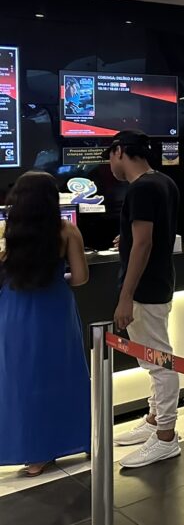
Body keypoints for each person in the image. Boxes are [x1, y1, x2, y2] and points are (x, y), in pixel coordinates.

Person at [0, 171, 90, 476]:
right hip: (55, 309)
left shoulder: (12, 230)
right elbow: (80, 278)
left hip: (14, 310)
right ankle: (73, 439)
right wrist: (59, 278)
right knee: (62, 375)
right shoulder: (67, 231)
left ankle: (33, 453)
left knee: (21, 380)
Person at [106, 130, 182, 468]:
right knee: (156, 357)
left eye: (110, 157)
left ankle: (166, 436)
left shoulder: (140, 189)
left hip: (145, 289)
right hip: (160, 281)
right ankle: (154, 420)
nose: (111, 165)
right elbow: (151, 235)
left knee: (158, 363)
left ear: (119, 151)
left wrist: (126, 296)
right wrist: (126, 236)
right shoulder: (164, 182)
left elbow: (144, 243)